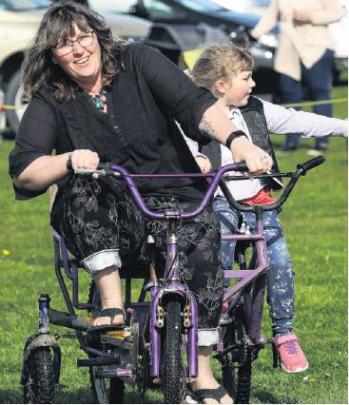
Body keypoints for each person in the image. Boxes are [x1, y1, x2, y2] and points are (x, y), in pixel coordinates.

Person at [8, 2, 273, 403]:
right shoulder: (51, 99)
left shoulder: (139, 60)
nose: (78, 49)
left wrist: (238, 144)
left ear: (98, 35)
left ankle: (201, 371)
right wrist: (67, 159)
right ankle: (113, 306)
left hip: (176, 198)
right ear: (52, 55)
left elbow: (196, 106)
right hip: (116, 213)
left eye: (83, 37)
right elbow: (25, 169)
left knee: (202, 239)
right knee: (79, 187)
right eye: (65, 44)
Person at [183, 41, 347, 374]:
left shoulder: (255, 109)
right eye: (246, 77)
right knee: (220, 253)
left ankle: (284, 333)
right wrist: (197, 158)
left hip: (258, 201)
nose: (253, 83)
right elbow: (181, 145)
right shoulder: (193, 115)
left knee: (280, 261)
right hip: (217, 199)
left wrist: (343, 127)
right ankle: (214, 312)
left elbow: (295, 120)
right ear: (221, 85)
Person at [250, 0, 344, 155]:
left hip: (317, 48)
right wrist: (254, 34)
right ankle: (291, 142)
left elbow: (337, 13)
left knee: (319, 93)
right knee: (289, 94)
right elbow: (271, 16)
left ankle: (322, 142)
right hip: (287, 51)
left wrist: (312, 16)